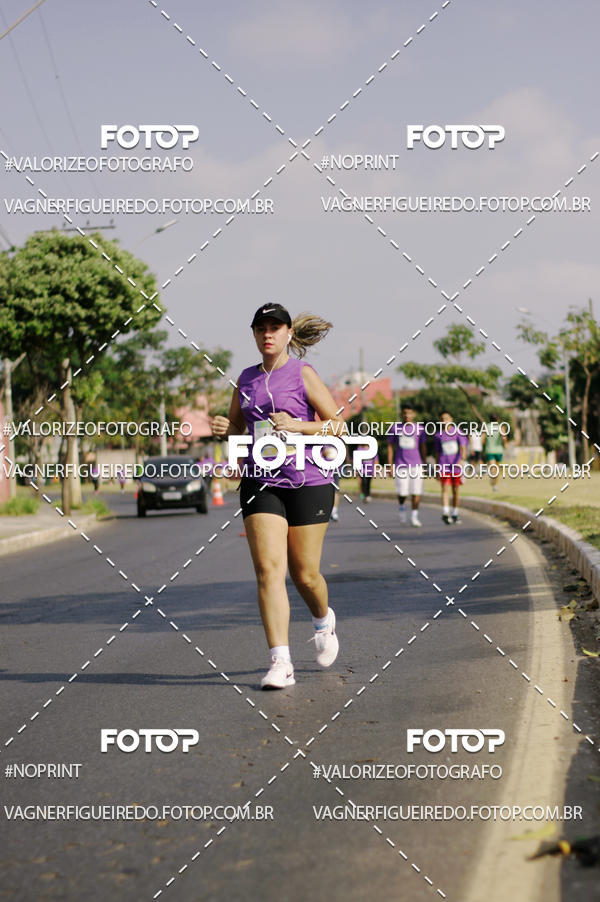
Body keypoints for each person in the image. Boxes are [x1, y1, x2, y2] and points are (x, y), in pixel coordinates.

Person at [211, 303, 342, 690]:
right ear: (253, 335)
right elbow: (238, 428)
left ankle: (322, 620)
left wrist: (297, 425)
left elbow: (335, 426)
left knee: (305, 574)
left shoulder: (302, 373)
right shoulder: (246, 379)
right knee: (269, 570)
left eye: (275, 327)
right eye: (260, 328)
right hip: (261, 481)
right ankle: (281, 662)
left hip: (309, 479)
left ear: (287, 333)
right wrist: (226, 428)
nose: (267, 334)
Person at [387, 403, 426, 527]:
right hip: (400, 465)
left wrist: (424, 465)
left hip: (416, 465)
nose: (407, 415)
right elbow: (390, 447)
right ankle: (402, 507)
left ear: (414, 414)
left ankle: (414, 516)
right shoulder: (395, 428)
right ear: (401, 414)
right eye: (404, 413)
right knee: (402, 492)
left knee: (416, 491)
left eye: (409, 413)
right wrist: (390, 465)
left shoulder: (420, 429)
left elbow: (423, 447)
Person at [434, 412, 468, 524]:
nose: (444, 421)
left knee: (455, 490)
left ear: (451, 420)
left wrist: (461, 460)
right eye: (442, 419)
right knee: (444, 488)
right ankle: (445, 512)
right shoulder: (438, 435)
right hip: (444, 465)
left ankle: (455, 513)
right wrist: (437, 467)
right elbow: (437, 453)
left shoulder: (458, 432)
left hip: (456, 466)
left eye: (447, 419)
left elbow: (463, 448)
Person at [483, 414, 506, 492]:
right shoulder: (501, 427)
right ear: (497, 419)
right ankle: (495, 484)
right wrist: (505, 445)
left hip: (489, 450)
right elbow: (504, 437)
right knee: (497, 469)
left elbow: (482, 439)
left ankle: (494, 483)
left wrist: (483, 446)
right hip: (499, 450)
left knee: (494, 468)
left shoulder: (486, 427)